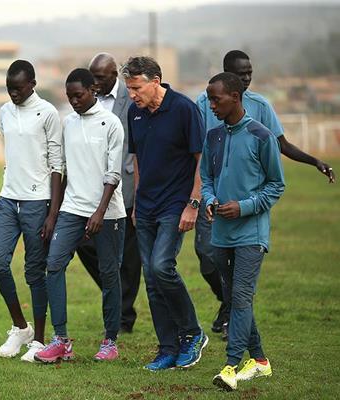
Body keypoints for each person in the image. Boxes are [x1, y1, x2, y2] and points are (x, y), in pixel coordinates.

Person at [195, 50, 335, 340]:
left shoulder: (261, 106)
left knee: (241, 272)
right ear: (226, 75)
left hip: (246, 204)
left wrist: (315, 161)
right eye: (241, 73)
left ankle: (237, 328)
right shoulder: (204, 103)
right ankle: (229, 304)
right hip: (213, 198)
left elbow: (280, 145)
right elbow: (198, 149)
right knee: (207, 257)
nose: (247, 78)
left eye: (250, 72)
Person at [34, 68, 127, 363]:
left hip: (108, 213)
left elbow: (113, 174)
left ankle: (110, 341)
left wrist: (100, 212)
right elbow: (59, 168)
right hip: (72, 210)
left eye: (79, 95)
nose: (73, 101)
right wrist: (53, 213)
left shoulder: (111, 124)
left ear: (93, 91)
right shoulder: (69, 123)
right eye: (69, 96)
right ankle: (61, 340)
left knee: (110, 274)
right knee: (54, 265)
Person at [201, 72, 285, 391]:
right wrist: (209, 199)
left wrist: (244, 206)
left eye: (215, 99)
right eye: (209, 99)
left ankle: (231, 366)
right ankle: (260, 361)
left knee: (240, 296)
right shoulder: (213, 137)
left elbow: (277, 185)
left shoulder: (261, 136)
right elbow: (206, 178)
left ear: (235, 97)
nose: (211, 105)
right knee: (236, 297)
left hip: (252, 234)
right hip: (220, 234)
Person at [123, 56, 208, 371]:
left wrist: (193, 203)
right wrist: (138, 203)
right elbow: (139, 160)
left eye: (136, 87)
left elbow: (202, 159)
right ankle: (168, 348)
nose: (132, 95)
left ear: (155, 81)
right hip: (145, 208)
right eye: (129, 88)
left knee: (161, 266)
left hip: (176, 204)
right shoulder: (135, 113)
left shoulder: (184, 109)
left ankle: (193, 332)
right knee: (151, 278)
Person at [0, 60, 62, 362]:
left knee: (34, 272)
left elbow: (58, 165)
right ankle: (21, 328)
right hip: (8, 199)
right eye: (9, 89)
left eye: (18, 88)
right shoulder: (5, 112)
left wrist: (52, 213)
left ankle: (40, 341)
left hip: (37, 202)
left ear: (32, 83)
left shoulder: (48, 113)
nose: (13, 94)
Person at [74, 53, 141, 334]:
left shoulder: (132, 98)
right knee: (83, 242)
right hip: (90, 188)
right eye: (93, 77)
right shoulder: (87, 99)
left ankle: (124, 315)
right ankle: (115, 295)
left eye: (100, 77)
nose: (95, 82)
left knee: (128, 254)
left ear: (115, 74)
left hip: (125, 189)